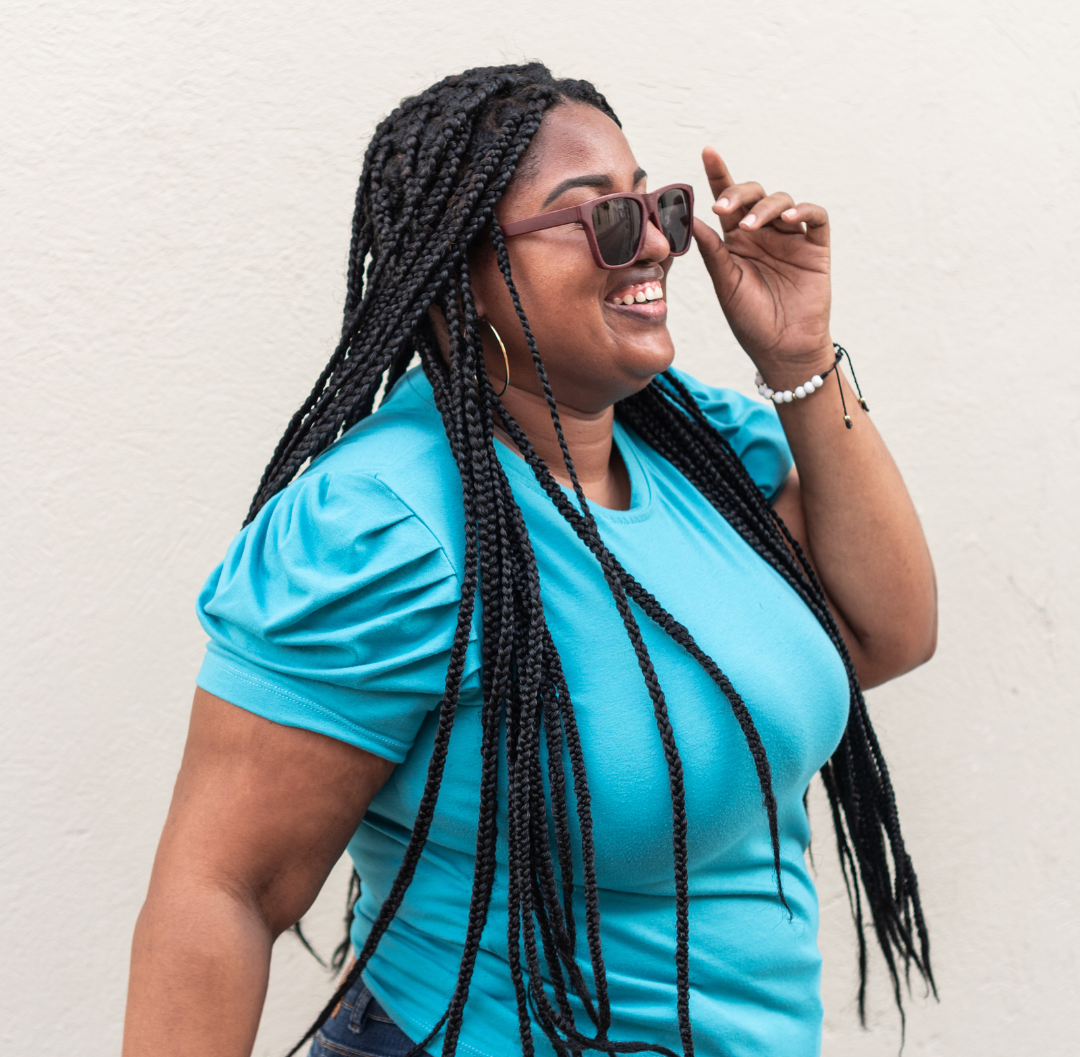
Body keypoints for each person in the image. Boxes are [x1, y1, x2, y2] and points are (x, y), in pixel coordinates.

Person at [123, 63, 937, 1057]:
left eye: (656, 204)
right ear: (456, 273)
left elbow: (882, 633)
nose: (651, 242)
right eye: (595, 216)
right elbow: (223, 888)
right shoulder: (384, 528)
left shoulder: (699, 451)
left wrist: (799, 358)